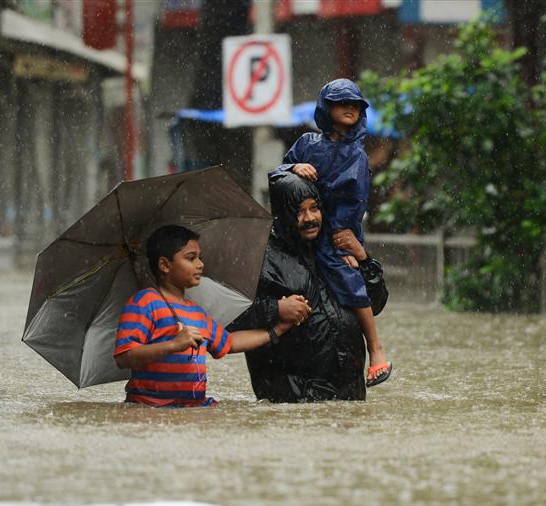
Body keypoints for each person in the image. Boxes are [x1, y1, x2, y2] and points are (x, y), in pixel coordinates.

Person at [271, 78, 392, 387]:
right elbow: (279, 173)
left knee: (350, 281)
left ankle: (376, 349)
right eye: (341, 103)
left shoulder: (357, 156)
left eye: (355, 104)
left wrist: (360, 257)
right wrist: (294, 169)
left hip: (341, 235)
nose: (349, 108)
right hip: (296, 385)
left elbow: (375, 297)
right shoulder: (274, 263)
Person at [228, 173, 388, 402]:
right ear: (283, 214)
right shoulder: (261, 257)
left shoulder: (333, 250)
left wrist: (363, 260)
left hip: (348, 396)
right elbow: (231, 320)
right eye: (299, 211)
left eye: (314, 208)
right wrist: (276, 309)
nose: (310, 218)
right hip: (290, 400)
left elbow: (376, 304)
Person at [113, 225, 307, 407]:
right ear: (164, 264)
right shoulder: (145, 302)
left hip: (194, 408)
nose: (200, 264)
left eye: (200, 257)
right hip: (150, 407)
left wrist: (277, 330)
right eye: (191, 258)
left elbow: (229, 342)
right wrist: (173, 344)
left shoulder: (196, 311)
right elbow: (124, 356)